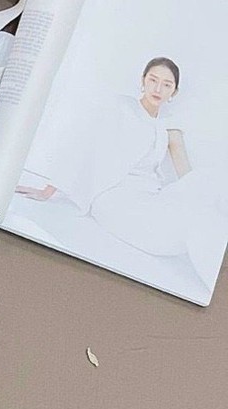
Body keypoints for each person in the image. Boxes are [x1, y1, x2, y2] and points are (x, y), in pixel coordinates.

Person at [15, 57, 224, 272]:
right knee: (182, 227)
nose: (158, 89)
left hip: (151, 196)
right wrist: (48, 191)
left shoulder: (169, 126)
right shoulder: (119, 108)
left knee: (207, 195)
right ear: (143, 80)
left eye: (166, 85)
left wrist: (202, 198)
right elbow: (84, 148)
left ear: (174, 92)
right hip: (113, 197)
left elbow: (188, 177)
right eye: (153, 80)